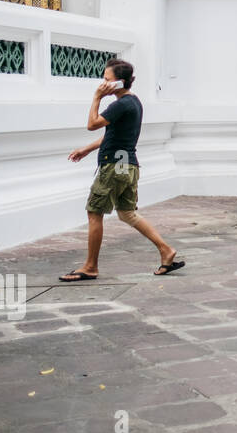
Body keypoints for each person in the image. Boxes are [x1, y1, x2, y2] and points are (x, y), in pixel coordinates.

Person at [60, 58, 183, 281]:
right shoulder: (133, 102)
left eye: (107, 80)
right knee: (127, 213)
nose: (103, 84)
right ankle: (166, 250)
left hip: (114, 166)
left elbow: (92, 124)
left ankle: (90, 267)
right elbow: (112, 134)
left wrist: (97, 97)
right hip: (128, 165)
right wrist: (87, 149)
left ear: (119, 82)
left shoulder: (120, 104)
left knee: (94, 212)